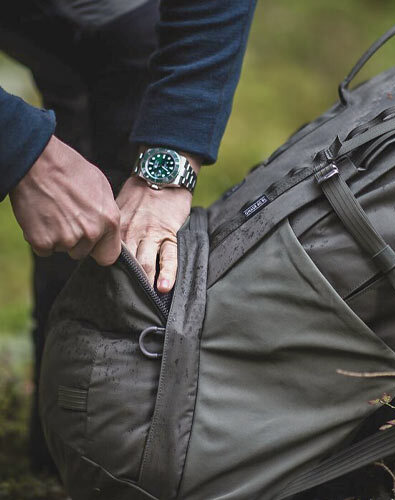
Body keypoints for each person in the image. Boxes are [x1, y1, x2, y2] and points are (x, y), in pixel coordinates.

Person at [0, 0, 257, 474]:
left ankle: (77, 441)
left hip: (106, 15)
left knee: (136, 53)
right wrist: (20, 149)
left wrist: (171, 154)